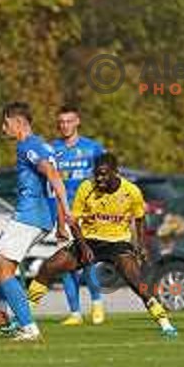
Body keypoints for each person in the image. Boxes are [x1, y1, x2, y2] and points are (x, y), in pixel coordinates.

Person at [27, 152, 178, 338]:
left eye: (104, 174)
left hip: (118, 243)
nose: (99, 178)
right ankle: (24, 316)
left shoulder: (132, 191)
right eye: (96, 174)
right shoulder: (86, 187)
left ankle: (165, 324)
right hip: (88, 240)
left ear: (116, 172)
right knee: (49, 266)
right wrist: (84, 248)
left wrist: (140, 245)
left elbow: (139, 219)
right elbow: (73, 222)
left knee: (137, 283)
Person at [0, 102, 72, 341]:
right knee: (1, 263)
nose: (3, 128)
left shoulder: (28, 146)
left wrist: (66, 212)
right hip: (40, 217)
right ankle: (8, 314)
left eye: (5, 123)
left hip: (29, 215)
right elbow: (51, 182)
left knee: (2, 268)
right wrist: (59, 223)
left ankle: (27, 326)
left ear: (18, 123)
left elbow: (52, 175)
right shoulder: (43, 145)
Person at [52, 105, 106, 325]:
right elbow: (53, 186)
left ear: (77, 122)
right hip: (63, 213)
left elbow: (105, 176)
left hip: (88, 214)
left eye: (69, 121)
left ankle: (97, 304)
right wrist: (60, 221)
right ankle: (75, 313)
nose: (65, 125)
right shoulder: (52, 149)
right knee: (65, 264)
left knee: (88, 260)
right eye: (61, 122)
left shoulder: (92, 148)